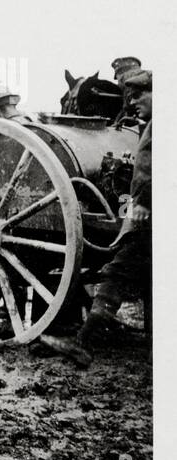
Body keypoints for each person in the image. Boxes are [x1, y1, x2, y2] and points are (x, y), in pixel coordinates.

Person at [45, 71, 152, 365]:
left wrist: (141, 204)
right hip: (141, 211)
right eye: (129, 96)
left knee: (118, 271)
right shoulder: (148, 125)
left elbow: (151, 172)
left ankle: (84, 343)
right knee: (129, 270)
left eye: (139, 96)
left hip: (146, 215)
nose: (131, 103)